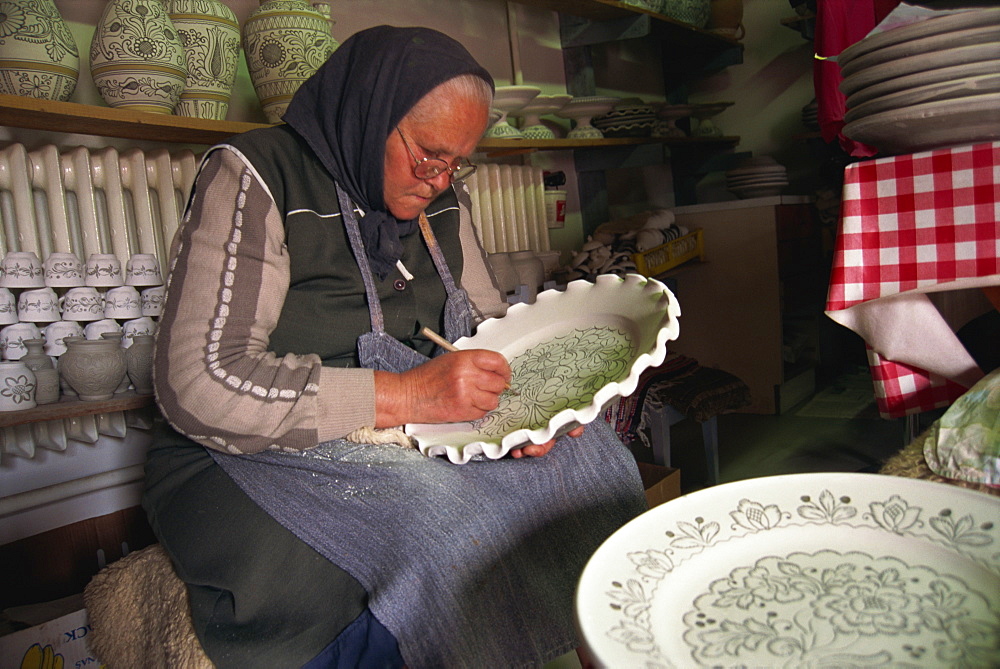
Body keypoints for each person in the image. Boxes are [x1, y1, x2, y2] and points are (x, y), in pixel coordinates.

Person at [143, 25, 647, 668]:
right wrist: (410, 394)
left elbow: (489, 323)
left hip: (419, 416)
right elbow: (200, 382)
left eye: (457, 162)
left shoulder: (440, 193)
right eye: (428, 155)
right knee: (446, 520)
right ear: (368, 114)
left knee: (596, 464)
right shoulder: (257, 175)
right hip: (254, 445)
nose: (439, 179)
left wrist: (533, 407)